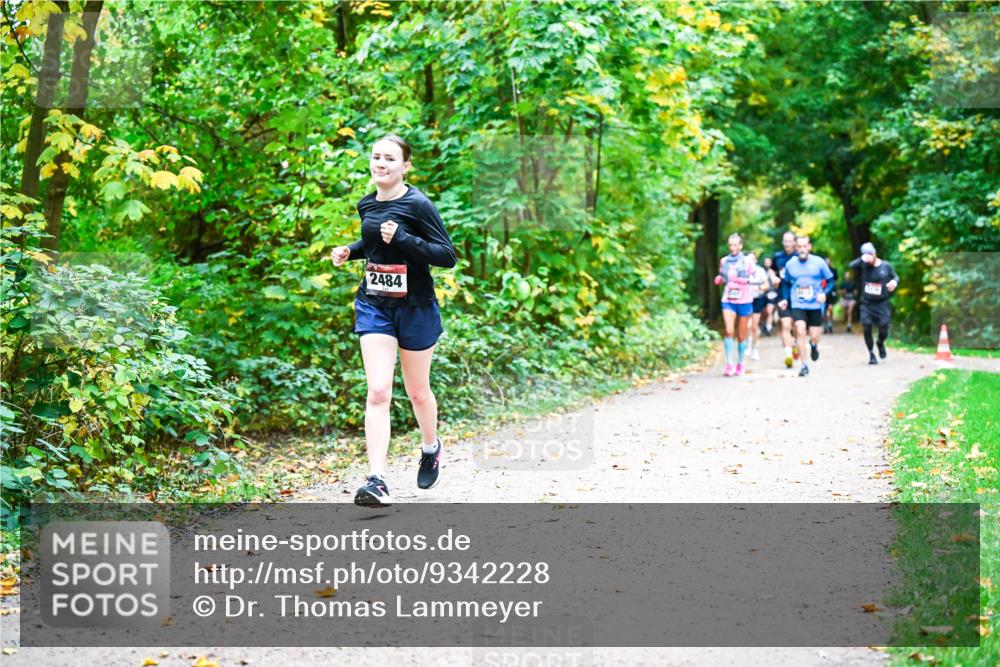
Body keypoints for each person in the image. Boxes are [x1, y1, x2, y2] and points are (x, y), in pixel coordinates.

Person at [330, 134, 457, 507]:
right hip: (375, 305)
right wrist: (350, 251)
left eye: (389, 158)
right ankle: (377, 479)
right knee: (379, 390)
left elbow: (446, 255)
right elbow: (373, 247)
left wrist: (404, 238)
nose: (381, 163)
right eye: (376, 157)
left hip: (415, 306)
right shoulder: (367, 204)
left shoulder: (418, 205)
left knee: (417, 391)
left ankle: (431, 447)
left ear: (405, 166)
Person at [778, 235, 834, 377]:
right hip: (798, 302)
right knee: (800, 329)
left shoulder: (819, 262)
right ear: (796, 248)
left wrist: (825, 293)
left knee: (814, 335)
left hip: (815, 304)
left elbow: (831, 280)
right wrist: (784, 298)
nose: (802, 249)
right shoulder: (791, 264)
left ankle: (814, 345)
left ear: (809, 247)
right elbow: (785, 283)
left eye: (804, 246)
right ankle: (804, 365)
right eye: (799, 246)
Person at [848, 242, 899, 365]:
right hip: (866, 303)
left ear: (874, 253)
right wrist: (862, 259)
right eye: (866, 255)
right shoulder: (863, 264)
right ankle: (871, 354)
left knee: (884, 328)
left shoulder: (885, 266)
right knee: (866, 327)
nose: (868, 258)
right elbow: (851, 265)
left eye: (870, 254)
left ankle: (880, 342)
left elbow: (896, 277)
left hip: (882, 303)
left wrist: (893, 283)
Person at [715, 233, 755, 376]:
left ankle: (740, 363)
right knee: (729, 331)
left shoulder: (748, 261)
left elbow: (754, 277)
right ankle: (729, 364)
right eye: (730, 245)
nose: (732, 247)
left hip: (744, 300)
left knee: (741, 334)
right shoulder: (724, 261)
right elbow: (722, 276)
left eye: (735, 244)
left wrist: (745, 280)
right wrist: (719, 279)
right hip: (728, 299)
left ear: (741, 246)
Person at [771, 231, 798, 368]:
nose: (787, 244)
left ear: (794, 242)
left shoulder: (799, 257)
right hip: (782, 295)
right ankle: (788, 355)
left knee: (796, 327)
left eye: (789, 241)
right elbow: (771, 270)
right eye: (785, 241)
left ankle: (795, 345)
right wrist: (773, 277)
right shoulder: (778, 257)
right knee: (785, 325)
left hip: (798, 296)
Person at [746, 251, 769, 360]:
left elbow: (766, 284)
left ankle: (755, 349)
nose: (750, 261)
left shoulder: (760, 271)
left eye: (752, 259)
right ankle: (748, 345)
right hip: (745, 300)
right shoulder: (742, 271)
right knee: (747, 326)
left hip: (757, 299)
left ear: (756, 260)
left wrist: (760, 288)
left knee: (754, 326)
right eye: (748, 259)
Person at [762, 256, 779, 337]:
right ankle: (765, 325)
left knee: (769, 311)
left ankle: (768, 328)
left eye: (769, 262)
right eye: (766, 262)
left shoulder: (773, 272)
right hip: (762, 294)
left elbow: (777, 284)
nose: (767, 263)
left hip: (771, 294)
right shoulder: (760, 271)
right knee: (764, 312)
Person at [822, 257, 839, 334]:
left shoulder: (834, 270)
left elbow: (836, 282)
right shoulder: (821, 270)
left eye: (828, 262)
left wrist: (835, 290)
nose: (827, 263)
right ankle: (825, 325)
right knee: (824, 310)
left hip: (831, 292)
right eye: (826, 262)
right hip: (823, 292)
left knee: (830, 308)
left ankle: (830, 324)